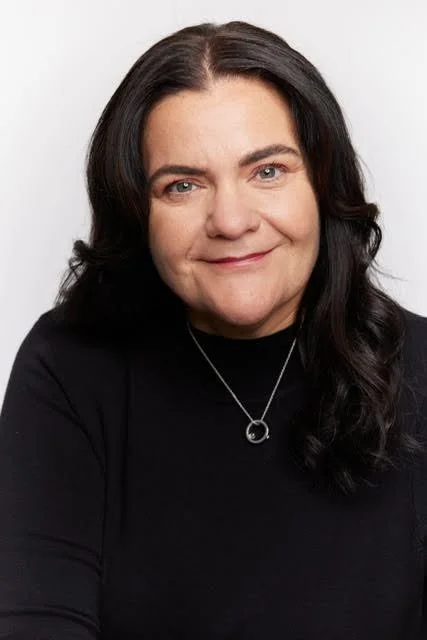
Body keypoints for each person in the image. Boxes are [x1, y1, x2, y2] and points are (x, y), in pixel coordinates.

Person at [0, 19, 426, 640]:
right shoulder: (68, 369)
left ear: (322, 183)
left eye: (268, 171)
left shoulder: (422, 370)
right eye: (183, 185)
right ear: (137, 211)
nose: (230, 220)